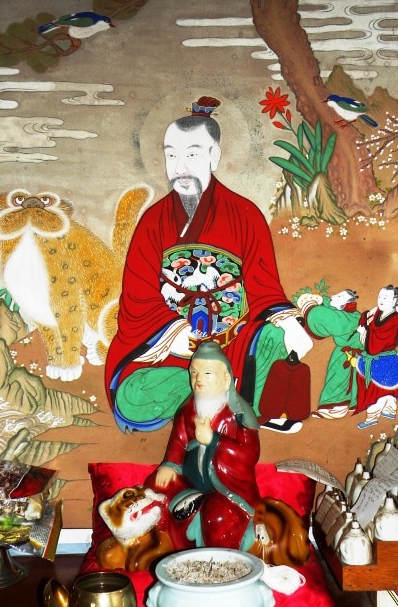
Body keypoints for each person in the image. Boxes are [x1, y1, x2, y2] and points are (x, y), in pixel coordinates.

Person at [105, 96, 312, 433]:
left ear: (214, 156)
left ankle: (214, 401)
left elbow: (264, 287)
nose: (179, 168)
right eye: (171, 155)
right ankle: (232, 403)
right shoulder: (153, 222)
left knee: (276, 338)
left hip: (233, 344)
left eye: (191, 155)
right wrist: (175, 333)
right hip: (171, 350)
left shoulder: (246, 216)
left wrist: (289, 322)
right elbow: (137, 297)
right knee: (133, 396)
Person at [146, 340, 262, 550]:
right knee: (155, 484)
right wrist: (170, 465)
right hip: (189, 483)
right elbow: (178, 442)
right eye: (194, 372)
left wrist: (214, 440)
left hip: (226, 487)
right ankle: (170, 533)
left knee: (217, 516)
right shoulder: (187, 411)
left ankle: (216, 557)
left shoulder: (239, 415)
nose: (198, 379)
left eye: (207, 373)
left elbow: (249, 454)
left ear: (226, 379)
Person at [354, 283, 398, 429]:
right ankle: (390, 408)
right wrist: (367, 321)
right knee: (384, 388)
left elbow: (378, 341)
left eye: (386, 297)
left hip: (384, 359)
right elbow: (367, 320)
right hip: (377, 357)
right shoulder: (377, 312)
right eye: (380, 296)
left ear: (394, 301)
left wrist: (365, 332)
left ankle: (372, 417)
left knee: (377, 389)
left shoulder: (394, 319)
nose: (381, 300)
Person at [297, 289, 363, 420]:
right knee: (342, 378)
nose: (334, 296)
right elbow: (331, 305)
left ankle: (336, 408)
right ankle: (345, 405)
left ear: (344, 304)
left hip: (350, 354)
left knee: (339, 378)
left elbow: (327, 318)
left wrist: (310, 307)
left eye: (339, 296)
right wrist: (320, 299)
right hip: (345, 352)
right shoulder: (344, 312)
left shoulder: (350, 318)